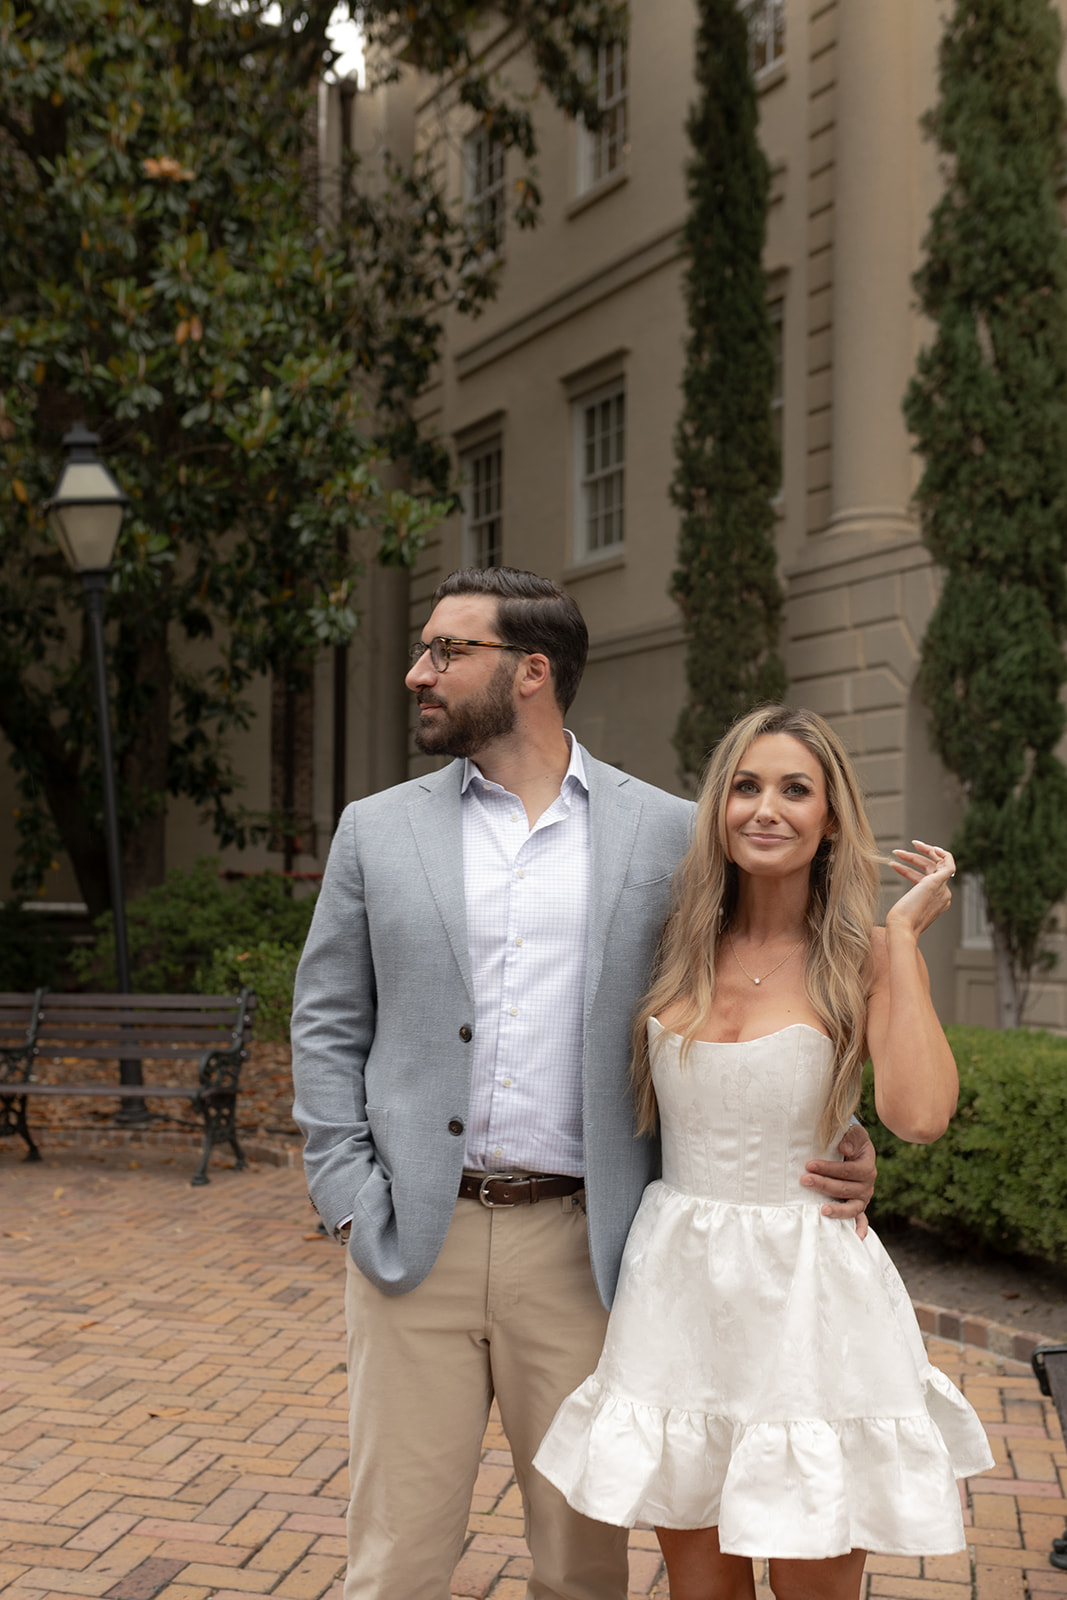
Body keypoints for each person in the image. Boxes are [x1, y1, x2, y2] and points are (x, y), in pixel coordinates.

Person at [290, 572, 878, 1600]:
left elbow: (752, 980)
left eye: (445, 651)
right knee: (393, 1561)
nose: (415, 671)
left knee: (582, 1565)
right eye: (425, 648)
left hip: (586, 1248)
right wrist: (345, 1193)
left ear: (529, 672)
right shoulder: (374, 831)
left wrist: (835, 1124)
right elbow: (328, 1019)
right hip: (407, 1242)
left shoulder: (665, 833)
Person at [534, 704, 994, 1600]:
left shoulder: (863, 956)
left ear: (829, 818)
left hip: (809, 1295)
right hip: (677, 1291)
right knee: (700, 1590)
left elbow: (918, 1115)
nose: (764, 809)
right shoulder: (673, 943)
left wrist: (899, 943)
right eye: (744, 787)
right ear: (717, 807)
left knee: (808, 1583)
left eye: (794, 789)